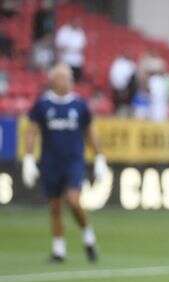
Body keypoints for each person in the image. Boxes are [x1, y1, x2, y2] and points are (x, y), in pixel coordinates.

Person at [22, 63, 108, 262]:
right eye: (65, 78)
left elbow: (90, 132)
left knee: (73, 200)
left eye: (70, 78)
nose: (69, 81)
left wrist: (100, 157)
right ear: (54, 80)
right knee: (54, 206)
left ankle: (88, 236)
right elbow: (32, 130)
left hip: (73, 162)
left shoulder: (79, 105)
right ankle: (58, 249)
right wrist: (28, 157)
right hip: (50, 162)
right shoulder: (42, 105)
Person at [55, 17, 86, 82]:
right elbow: (59, 46)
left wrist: (69, 48)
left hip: (76, 62)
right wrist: (70, 48)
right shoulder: (63, 30)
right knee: (63, 81)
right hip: (64, 61)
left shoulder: (81, 32)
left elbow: (81, 47)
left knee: (75, 81)